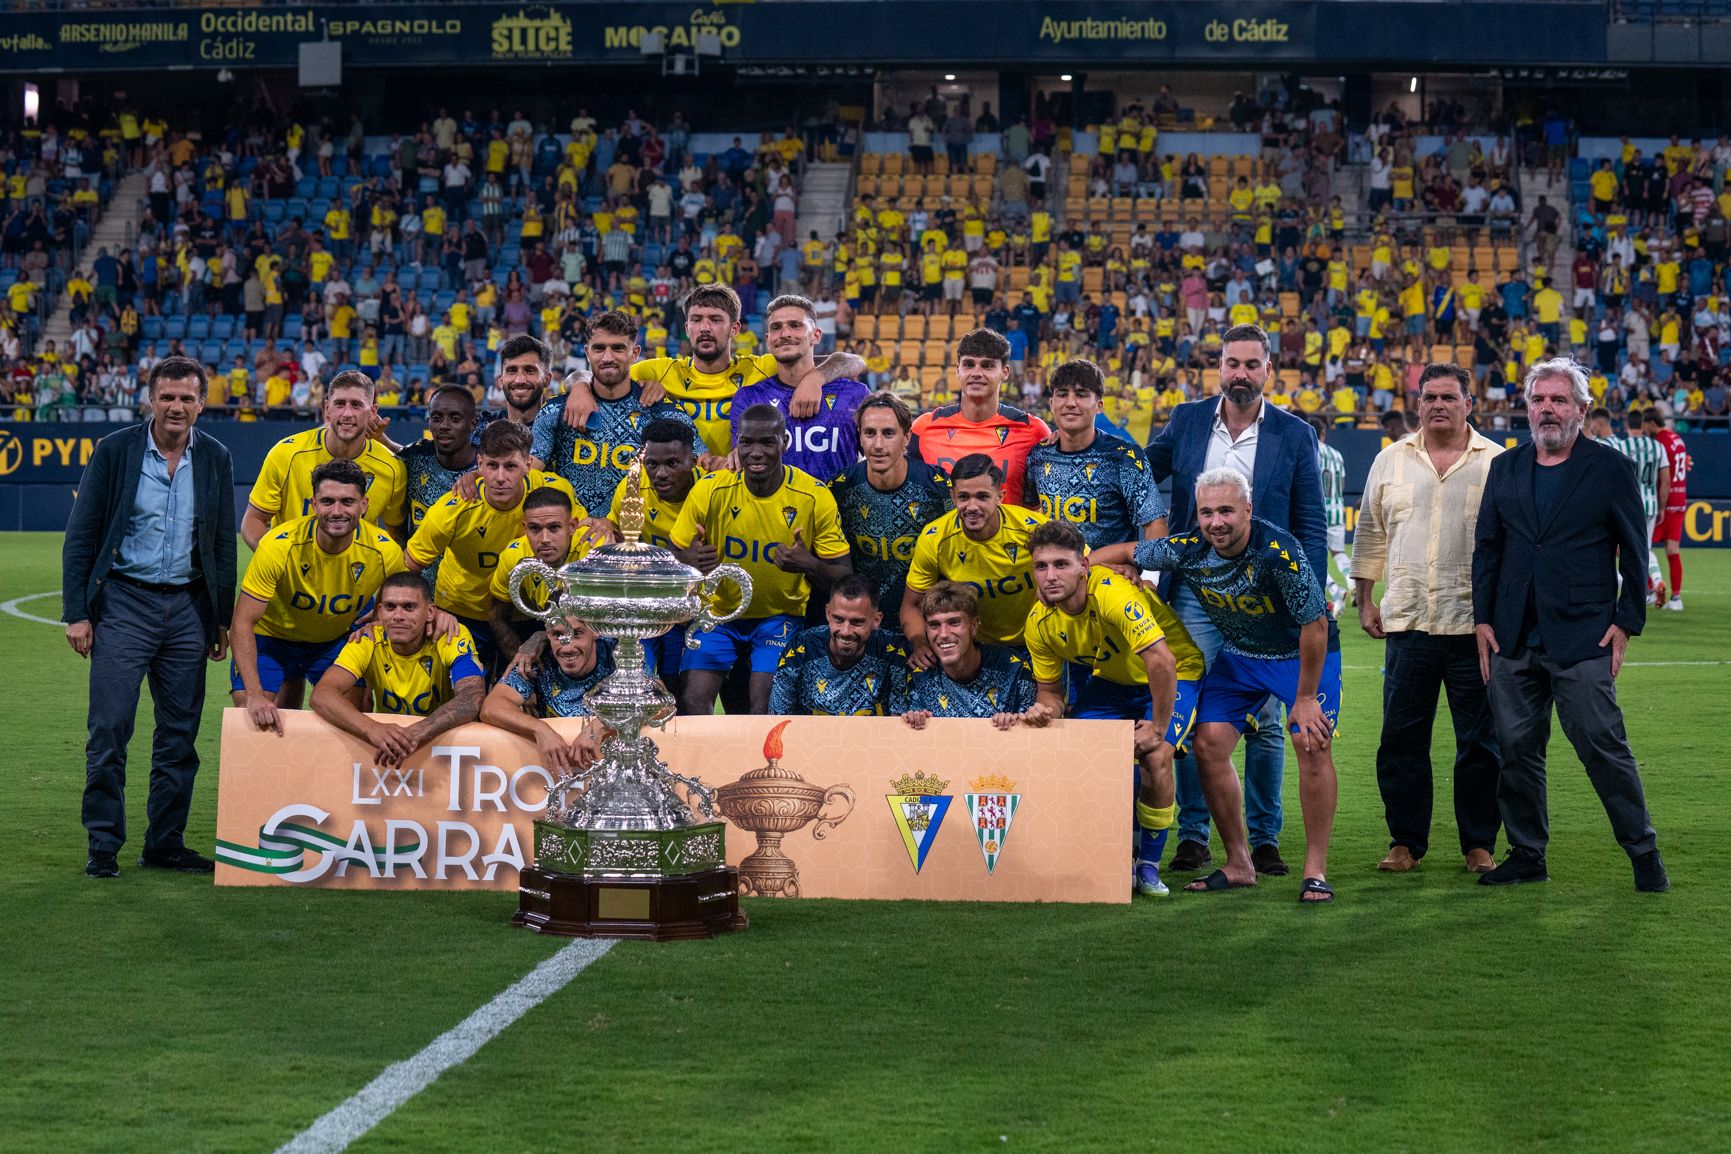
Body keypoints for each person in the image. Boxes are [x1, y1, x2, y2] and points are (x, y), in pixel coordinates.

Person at [1095, 467, 1341, 902]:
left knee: (1310, 741)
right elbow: (1127, 549)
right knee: (1207, 745)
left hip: (1300, 655)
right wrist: (1106, 567)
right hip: (1242, 656)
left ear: (1248, 509)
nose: (1216, 522)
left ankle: (1315, 871)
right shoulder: (1188, 549)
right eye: (1206, 513)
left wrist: (1305, 697)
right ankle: (1239, 863)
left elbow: (1315, 624)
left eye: (1226, 511)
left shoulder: (1279, 552)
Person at [1471, 358, 1666, 892]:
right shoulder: (1506, 467)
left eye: (1559, 400)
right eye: (1538, 400)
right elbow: (1488, 548)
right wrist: (1482, 619)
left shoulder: (1610, 468)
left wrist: (1626, 622)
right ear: (1527, 408)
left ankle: (1643, 852)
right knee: (1516, 753)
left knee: (1603, 747)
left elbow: (1635, 550)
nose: (1547, 409)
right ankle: (1527, 854)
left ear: (1581, 410)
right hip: (1512, 637)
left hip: (1584, 635)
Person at [1145, 323, 1328, 878]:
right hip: (1197, 590)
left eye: (1252, 364)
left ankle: (1265, 838)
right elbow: (1141, 476)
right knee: (1194, 712)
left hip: (1268, 597)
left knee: (1268, 721)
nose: (1241, 373)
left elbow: (1310, 522)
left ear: (1268, 370)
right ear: (1219, 367)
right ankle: (1195, 836)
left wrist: (1309, 598)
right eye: (1232, 363)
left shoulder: (1294, 434)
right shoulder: (1187, 419)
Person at [62, 356, 236, 877]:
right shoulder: (115, 450)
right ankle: (102, 846)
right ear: (150, 399)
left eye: (187, 398)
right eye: (167, 397)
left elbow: (222, 543)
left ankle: (164, 844)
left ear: (202, 403)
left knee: (179, 735)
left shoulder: (216, 456)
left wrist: (220, 619)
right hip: (124, 603)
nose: (176, 407)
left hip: (188, 608)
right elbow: (82, 534)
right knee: (110, 728)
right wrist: (78, 613)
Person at [1353, 363, 1504, 874]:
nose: (1438, 405)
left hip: (1474, 627)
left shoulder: (1497, 463)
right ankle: (1405, 842)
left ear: (1469, 404)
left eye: (1449, 397)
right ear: (1418, 404)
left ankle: (1479, 844)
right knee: (1401, 739)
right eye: (1430, 397)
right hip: (1408, 623)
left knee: (1480, 743)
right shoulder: (1390, 460)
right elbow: (1370, 533)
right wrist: (1365, 599)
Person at [1024, 522, 1204, 898]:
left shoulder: (1114, 593)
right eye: (1041, 566)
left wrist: (1158, 728)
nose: (1050, 575)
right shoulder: (1038, 622)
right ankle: (1118, 852)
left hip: (1174, 675)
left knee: (1155, 756)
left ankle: (1149, 866)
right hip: (1113, 681)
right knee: (1083, 752)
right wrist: (1046, 712)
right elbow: (1051, 693)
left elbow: (1163, 662)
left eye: (1061, 564)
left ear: (1084, 566)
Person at [669, 403, 853, 715]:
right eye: (747, 443)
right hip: (718, 614)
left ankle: (764, 751)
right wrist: (687, 561)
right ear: (736, 444)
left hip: (778, 617)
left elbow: (845, 576)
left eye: (767, 442)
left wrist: (809, 565)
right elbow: (672, 557)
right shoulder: (709, 490)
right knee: (692, 699)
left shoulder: (814, 495)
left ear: (785, 443)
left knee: (765, 705)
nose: (756, 453)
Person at [561, 284, 863, 458]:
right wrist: (579, 386)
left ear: (735, 328)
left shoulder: (761, 367)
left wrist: (815, 377)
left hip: (737, 485)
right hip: (681, 490)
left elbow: (852, 361)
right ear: (687, 328)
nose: (705, 328)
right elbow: (603, 370)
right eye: (697, 320)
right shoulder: (659, 370)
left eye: (715, 320)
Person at [230, 459, 408, 735]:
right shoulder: (278, 546)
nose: (337, 511)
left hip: (332, 640)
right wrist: (254, 695)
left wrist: (376, 620)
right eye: (327, 502)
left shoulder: (385, 552)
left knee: (354, 709)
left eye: (347, 502)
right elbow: (242, 622)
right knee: (251, 715)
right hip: (272, 638)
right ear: (313, 504)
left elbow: (402, 604)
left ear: (364, 505)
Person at [406, 420, 579, 675]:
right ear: (479, 464)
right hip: (462, 612)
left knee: (537, 684)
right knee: (468, 688)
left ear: (528, 465)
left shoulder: (554, 492)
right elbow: (408, 567)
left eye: (510, 466)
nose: (500, 478)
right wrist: (430, 610)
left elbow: (582, 531)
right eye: (492, 466)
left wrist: (604, 524)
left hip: (528, 613)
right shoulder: (451, 510)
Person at [530, 309, 697, 522]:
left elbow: (701, 462)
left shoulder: (662, 410)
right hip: (572, 533)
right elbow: (528, 474)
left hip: (636, 534)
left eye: (618, 348)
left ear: (635, 353)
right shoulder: (556, 410)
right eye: (599, 348)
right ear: (587, 352)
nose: (608, 357)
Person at [310, 573, 486, 765]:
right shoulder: (367, 640)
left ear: (430, 612)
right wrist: (372, 728)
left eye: (409, 607)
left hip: (441, 745)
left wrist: (417, 731)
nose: (398, 616)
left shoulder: (450, 635)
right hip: (389, 745)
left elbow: (472, 696)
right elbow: (322, 694)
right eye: (390, 607)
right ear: (380, 611)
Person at [901, 454, 1048, 665]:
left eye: (982, 497)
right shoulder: (935, 538)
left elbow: (1082, 562)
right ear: (952, 497)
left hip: (1036, 642)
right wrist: (920, 643)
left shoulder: (1034, 528)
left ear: (1000, 497)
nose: (972, 506)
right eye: (963, 497)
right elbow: (911, 605)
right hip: (973, 647)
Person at [242, 369, 407, 549]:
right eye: (340, 404)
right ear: (327, 408)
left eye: (356, 405)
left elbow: (398, 537)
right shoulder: (286, 453)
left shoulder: (392, 467)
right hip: (293, 565)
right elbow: (253, 521)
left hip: (357, 567)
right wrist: (276, 559)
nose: (347, 413)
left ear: (373, 412)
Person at [829, 392, 953, 615]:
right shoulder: (840, 488)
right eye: (869, 433)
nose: (878, 444)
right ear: (859, 437)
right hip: (861, 621)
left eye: (888, 433)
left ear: (906, 437)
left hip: (926, 618)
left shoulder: (939, 487)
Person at [1023, 359, 1166, 549]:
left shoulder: (1125, 457)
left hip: (1109, 568)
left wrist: (1145, 567)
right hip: (1052, 567)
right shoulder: (1038, 455)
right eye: (1062, 394)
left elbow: (1155, 525)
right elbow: (1029, 513)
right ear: (1051, 403)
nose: (1070, 403)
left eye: (1081, 395)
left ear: (1099, 405)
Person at [732, 294, 870, 483]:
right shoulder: (749, 399)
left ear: (816, 336)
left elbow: (878, 458)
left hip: (839, 502)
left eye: (795, 325)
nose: (785, 333)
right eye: (776, 327)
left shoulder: (855, 394)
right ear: (768, 340)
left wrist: (815, 379)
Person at [908, 328, 1051, 507]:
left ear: (1005, 372)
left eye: (987, 365)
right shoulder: (924, 428)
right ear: (958, 370)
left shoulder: (1034, 431)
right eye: (969, 364)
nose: (976, 372)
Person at [479, 615, 616, 776]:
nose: (567, 648)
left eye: (577, 634)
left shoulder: (618, 654)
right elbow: (491, 706)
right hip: (557, 776)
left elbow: (645, 701)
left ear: (596, 631)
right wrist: (540, 730)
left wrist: (599, 726)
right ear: (547, 634)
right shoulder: (536, 660)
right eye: (557, 635)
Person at [900, 582, 1039, 729]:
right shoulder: (921, 674)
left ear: (974, 626)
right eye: (934, 625)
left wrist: (1015, 724)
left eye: (954, 622)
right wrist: (914, 722)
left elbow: (1033, 727)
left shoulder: (1012, 667)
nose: (943, 634)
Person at [487, 487, 598, 668]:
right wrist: (522, 662)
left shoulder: (593, 552)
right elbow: (496, 614)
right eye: (535, 529)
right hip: (550, 635)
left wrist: (541, 637)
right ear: (525, 529)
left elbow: (615, 621)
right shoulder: (513, 557)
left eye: (554, 528)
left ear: (572, 526)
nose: (544, 538)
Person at [769, 577, 911, 715]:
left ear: (876, 620)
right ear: (828, 613)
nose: (845, 631)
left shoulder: (893, 651)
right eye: (838, 619)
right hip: (812, 732)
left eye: (857, 622)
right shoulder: (802, 647)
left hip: (876, 732)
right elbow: (778, 716)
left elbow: (901, 720)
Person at [398, 384, 479, 595]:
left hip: (468, 598)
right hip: (419, 592)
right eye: (436, 418)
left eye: (454, 418)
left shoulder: (489, 470)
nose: (444, 425)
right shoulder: (413, 459)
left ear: (473, 424)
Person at [1587, 407, 1670, 606]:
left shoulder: (1622, 447)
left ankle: (1630, 585)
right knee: (1643, 548)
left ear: (1627, 425)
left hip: (1629, 505)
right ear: (1643, 424)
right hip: (1651, 504)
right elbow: (1666, 479)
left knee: (1621, 548)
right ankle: (1654, 581)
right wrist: (1662, 507)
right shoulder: (1657, 447)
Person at [1643, 408, 1690, 610]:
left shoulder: (1659, 442)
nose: (1644, 430)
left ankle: (1651, 591)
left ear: (1652, 423)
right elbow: (1684, 463)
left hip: (1665, 500)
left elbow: (1664, 476)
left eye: (1646, 426)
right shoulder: (1678, 439)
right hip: (1680, 499)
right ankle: (1676, 599)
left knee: (1644, 548)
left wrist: (1661, 505)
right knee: (1672, 549)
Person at [1309, 415, 1351, 615]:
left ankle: (1335, 590)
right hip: (1337, 509)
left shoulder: (1310, 450)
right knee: (1339, 552)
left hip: (1315, 511)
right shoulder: (1337, 454)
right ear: (1323, 433)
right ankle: (1351, 582)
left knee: (1309, 556)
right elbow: (1341, 484)